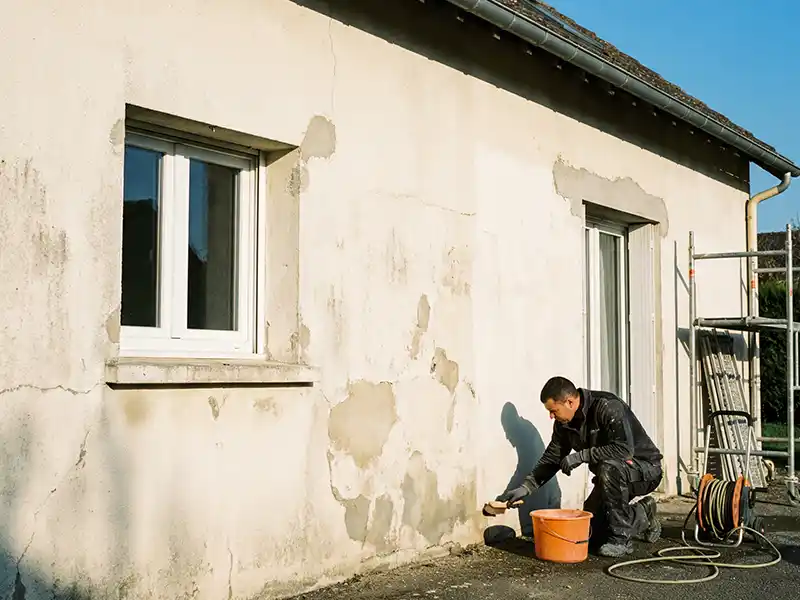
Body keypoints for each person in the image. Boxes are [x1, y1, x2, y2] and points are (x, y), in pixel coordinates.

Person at [497, 376, 663, 558]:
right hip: (611, 479)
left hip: (645, 470)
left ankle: (620, 539)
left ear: (569, 402)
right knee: (590, 531)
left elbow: (624, 449)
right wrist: (526, 487)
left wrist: (581, 456)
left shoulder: (607, 406)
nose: (551, 416)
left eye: (553, 410)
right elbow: (552, 458)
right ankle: (644, 513)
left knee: (608, 468)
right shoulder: (563, 424)